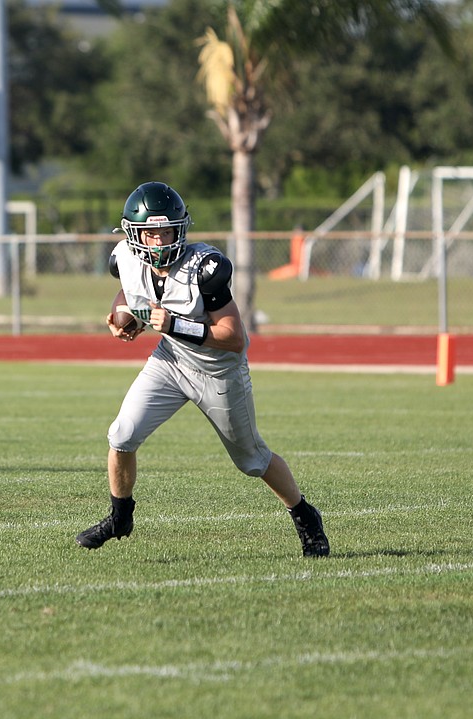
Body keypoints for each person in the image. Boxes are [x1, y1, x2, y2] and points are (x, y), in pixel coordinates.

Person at [75, 181, 330, 558]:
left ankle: (305, 515)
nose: (159, 242)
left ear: (180, 230)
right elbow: (130, 290)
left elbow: (234, 337)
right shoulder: (124, 258)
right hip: (170, 362)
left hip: (218, 372)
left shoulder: (205, 268)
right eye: (150, 233)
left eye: (166, 232)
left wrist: (176, 325)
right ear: (133, 234)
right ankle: (120, 517)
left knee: (252, 460)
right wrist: (125, 319)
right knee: (122, 435)